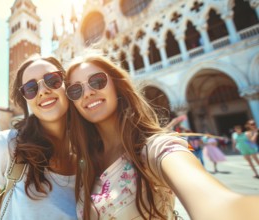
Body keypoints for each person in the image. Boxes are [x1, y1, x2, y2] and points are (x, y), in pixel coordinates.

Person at [65, 54, 259, 220]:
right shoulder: (85, 161)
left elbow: (212, 200)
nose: (88, 93)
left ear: (117, 85)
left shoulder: (154, 148)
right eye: (75, 90)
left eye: (97, 81)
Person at [0, 55, 76, 219]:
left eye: (52, 79)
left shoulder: (92, 155)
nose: (42, 91)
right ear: (26, 101)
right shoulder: (6, 146)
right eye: (31, 88)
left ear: (67, 85)